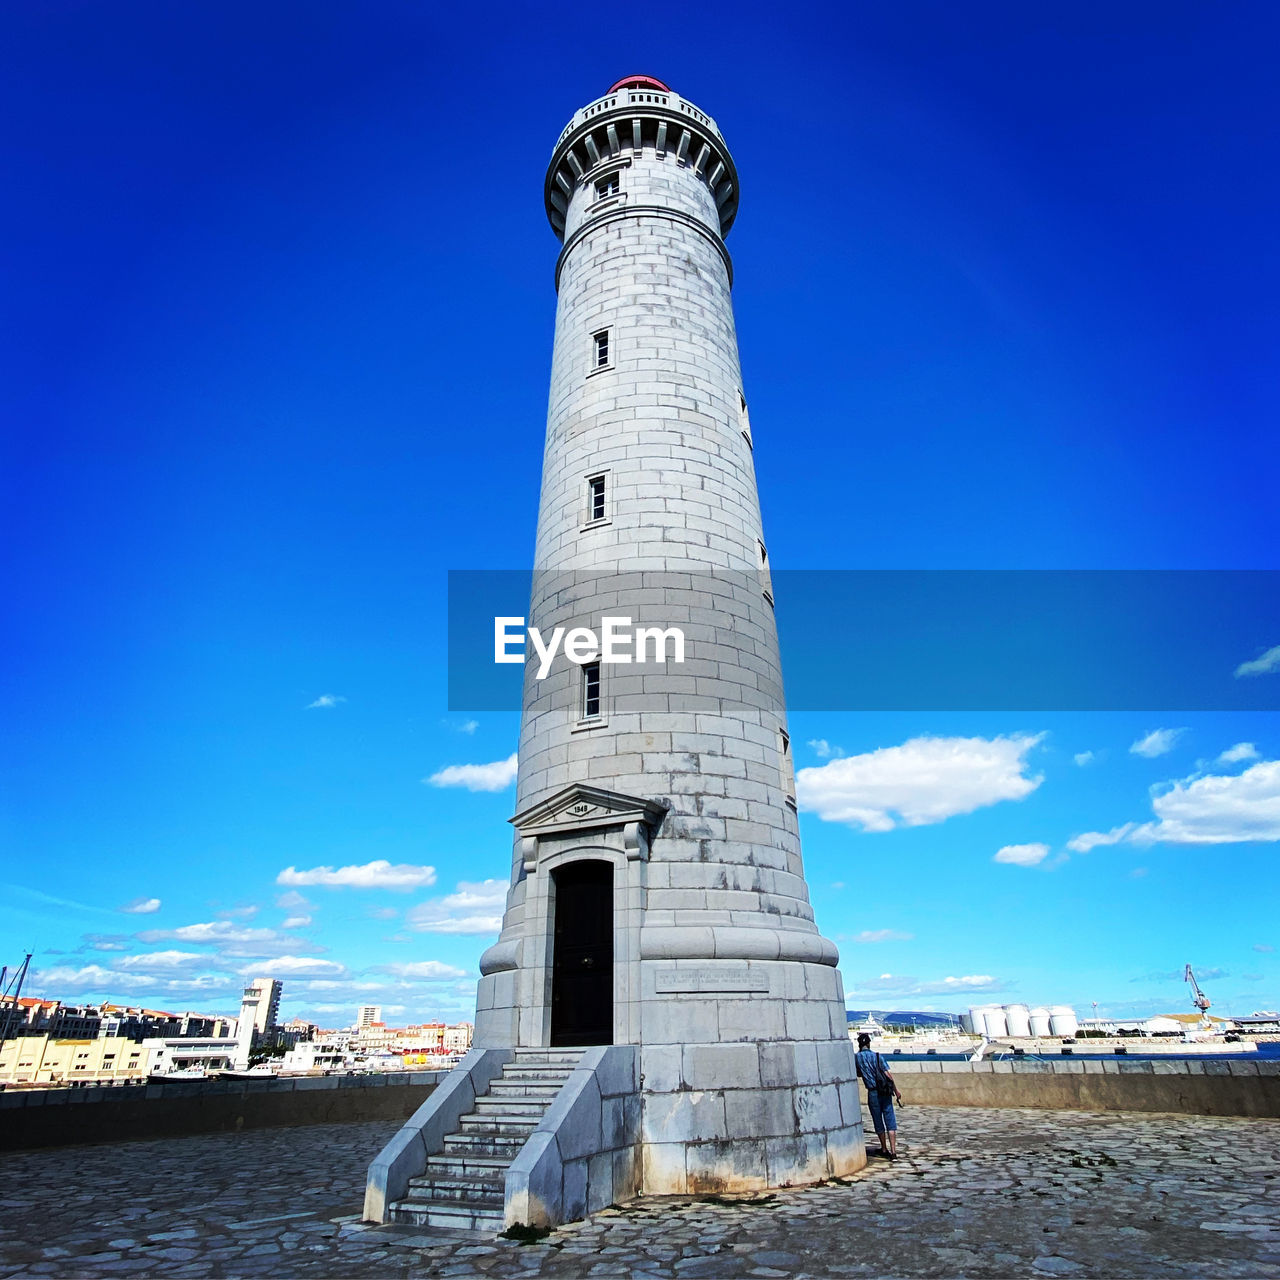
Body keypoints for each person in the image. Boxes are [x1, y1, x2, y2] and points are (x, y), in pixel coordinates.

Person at [854, 1031, 903, 1158]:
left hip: (872, 1092)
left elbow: (858, 1074)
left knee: (878, 1120)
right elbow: (888, 1075)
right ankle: (893, 1151)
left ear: (859, 1045)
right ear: (869, 1044)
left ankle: (884, 1148)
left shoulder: (857, 1058)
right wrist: (896, 1091)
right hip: (885, 1091)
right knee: (890, 1119)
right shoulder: (877, 1056)